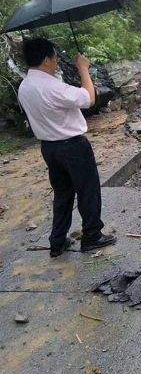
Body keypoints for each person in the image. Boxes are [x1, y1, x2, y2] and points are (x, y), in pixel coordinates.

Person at [17, 38, 116, 257]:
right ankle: (92, 235)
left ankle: (58, 241)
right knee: (87, 190)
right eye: (54, 57)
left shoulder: (25, 86)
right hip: (72, 147)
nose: (57, 61)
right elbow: (88, 99)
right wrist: (83, 69)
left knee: (62, 194)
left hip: (49, 149)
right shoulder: (52, 87)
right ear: (45, 59)